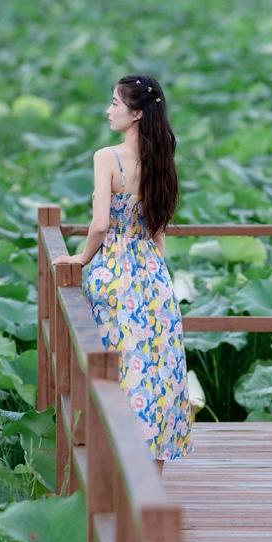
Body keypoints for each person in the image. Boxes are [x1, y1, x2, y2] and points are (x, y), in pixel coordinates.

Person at [52, 75, 192, 473]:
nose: (108, 110)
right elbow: (158, 231)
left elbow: (99, 225)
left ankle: (114, 475)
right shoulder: (161, 158)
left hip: (115, 275)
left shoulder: (106, 157)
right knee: (155, 375)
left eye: (115, 103)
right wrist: (155, 271)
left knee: (115, 372)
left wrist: (80, 258)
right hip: (152, 275)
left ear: (135, 114)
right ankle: (152, 481)